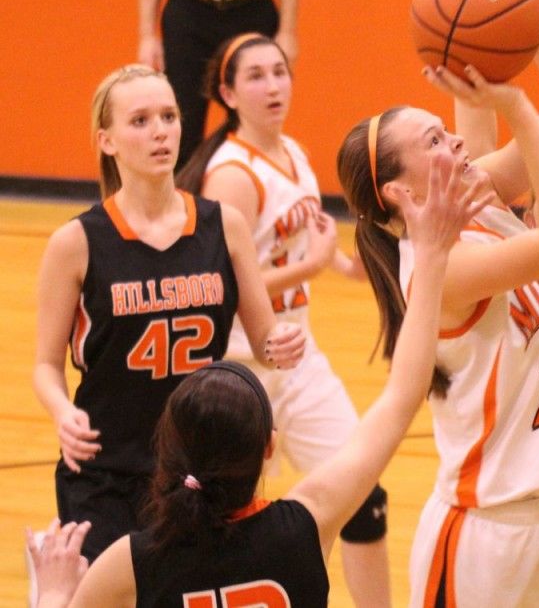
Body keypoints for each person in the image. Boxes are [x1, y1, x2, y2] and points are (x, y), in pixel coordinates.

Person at [27, 154, 484, 607]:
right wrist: (432, 258)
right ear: (269, 447)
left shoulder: (131, 560)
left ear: (167, 451)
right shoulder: (304, 525)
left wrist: (52, 595)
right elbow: (403, 396)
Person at [337, 0, 539, 606]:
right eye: (433, 141)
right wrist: (513, 105)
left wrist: (529, 23)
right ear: (399, 193)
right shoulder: (443, 269)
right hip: (491, 532)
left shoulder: (476, 196)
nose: (453, 141)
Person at [31, 65, 305, 565]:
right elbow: (46, 365)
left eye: (169, 116)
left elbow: (265, 337)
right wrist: (61, 410)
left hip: (199, 471)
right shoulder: (76, 242)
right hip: (105, 470)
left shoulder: (225, 225)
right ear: (107, 140)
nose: (161, 131)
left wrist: (281, 343)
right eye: (140, 120)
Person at [176, 32, 390, 607]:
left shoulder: (292, 151)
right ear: (227, 91)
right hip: (240, 368)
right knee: (223, 518)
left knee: (362, 496)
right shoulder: (231, 177)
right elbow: (218, 288)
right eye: (256, 76)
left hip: (297, 354)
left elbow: (309, 247)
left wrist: (350, 267)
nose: (273, 86)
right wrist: (310, 268)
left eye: (280, 72)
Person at [138, 0, 299, 169]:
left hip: (252, 11)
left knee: (254, 121)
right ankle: (184, 205)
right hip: (189, 15)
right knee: (183, 122)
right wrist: (147, 35)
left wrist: (288, 30)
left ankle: (253, 201)